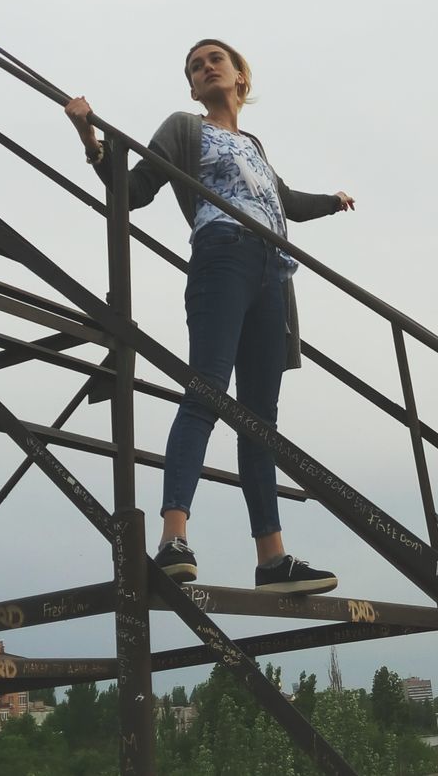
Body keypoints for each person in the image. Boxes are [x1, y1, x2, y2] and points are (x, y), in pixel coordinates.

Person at [65, 39, 354, 594]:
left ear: (241, 76)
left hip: (275, 273)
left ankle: (272, 560)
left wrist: (334, 200)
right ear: (193, 87)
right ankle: (174, 538)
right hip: (222, 256)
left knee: (259, 420)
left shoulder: (254, 143)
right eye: (195, 66)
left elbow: (287, 201)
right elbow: (132, 193)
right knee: (206, 393)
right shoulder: (182, 128)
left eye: (215, 59)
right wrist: (91, 140)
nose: (205, 68)